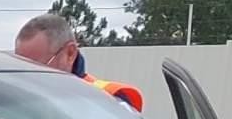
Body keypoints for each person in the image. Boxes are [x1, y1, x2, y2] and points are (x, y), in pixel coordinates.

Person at [14, 12, 145, 111]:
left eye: (37, 68)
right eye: (21, 68)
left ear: (70, 54)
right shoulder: (16, 101)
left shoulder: (109, 104)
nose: (28, 79)